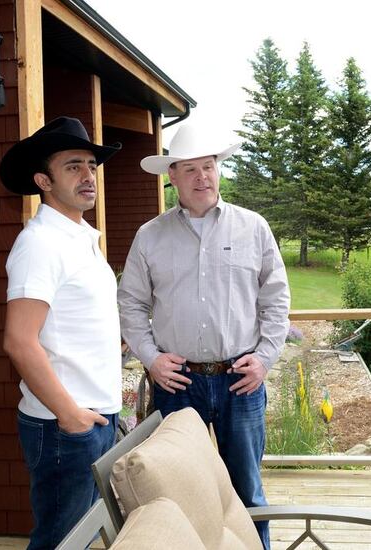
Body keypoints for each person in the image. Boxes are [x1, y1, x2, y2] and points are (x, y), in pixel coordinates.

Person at [117, 124, 290, 549]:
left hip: (240, 379)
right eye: (189, 169)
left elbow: (276, 299)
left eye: (209, 167)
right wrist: (151, 358)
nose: (202, 177)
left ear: (219, 170)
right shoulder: (150, 236)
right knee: (174, 491)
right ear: (171, 177)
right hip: (178, 383)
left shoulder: (253, 227)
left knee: (247, 490)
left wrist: (265, 358)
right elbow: (131, 305)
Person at [0, 116, 122, 550]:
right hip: (64, 425)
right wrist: (71, 417)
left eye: (91, 165)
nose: (88, 175)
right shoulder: (40, 245)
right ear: (42, 180)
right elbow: (19, 340)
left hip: (94, 417)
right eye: (73, 166)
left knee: (83, 539)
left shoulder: (80, 237)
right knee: (61, 541)